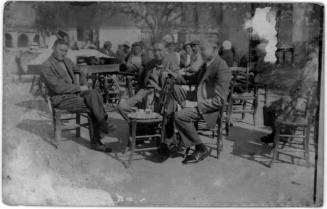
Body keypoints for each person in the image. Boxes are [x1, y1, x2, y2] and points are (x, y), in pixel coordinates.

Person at [40, 39, 115, 152]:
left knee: (94, 93)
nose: (63, 53)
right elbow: (57, 88)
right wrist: (80, 88)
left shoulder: (68, 61)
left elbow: (81, 71)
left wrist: (84, 83)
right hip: (61, 99)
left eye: (65, 51)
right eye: (61, 50)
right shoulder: (46, 66)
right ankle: (98, 136)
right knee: (93, 105)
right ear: (53, 48)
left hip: (75, 95)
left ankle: (102, 123)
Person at [118, 42, 186, 156]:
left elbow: (181, 80)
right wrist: (138, 96)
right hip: (145, 93)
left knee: (168, 113)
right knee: (122, 107)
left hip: (163, 96)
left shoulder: (171, 63)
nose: (157, 53)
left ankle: (165, 140)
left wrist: (171, 75)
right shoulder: (149, 63)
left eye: (160, 50)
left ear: (165, 50)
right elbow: (141, 80)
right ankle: (141, 127)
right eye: (155, 51)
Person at [174, 40, 232, 164]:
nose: (201, 52)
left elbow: (220, 100)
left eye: (204, 49)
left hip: (210, 108)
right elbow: (194, 79)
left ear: (215, 50)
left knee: (179, 116)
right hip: (199, 98)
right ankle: (183, 138)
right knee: (174, 91)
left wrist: (195, 105)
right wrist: (177, 77)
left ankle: (200, 148)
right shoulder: (207, 64)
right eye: (201, 50)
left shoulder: (222, 67)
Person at [261, 49, 319, 144]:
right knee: (273, 105)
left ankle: (279, 134)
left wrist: (290, 99)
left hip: (299, 106)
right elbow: (295, 85)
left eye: (308, 60)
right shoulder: (310, 74)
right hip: (301, 105)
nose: (306, 63)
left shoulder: (309, 75)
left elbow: (302, 96)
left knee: (269, 107)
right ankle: (280, 133)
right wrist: (289, 93)